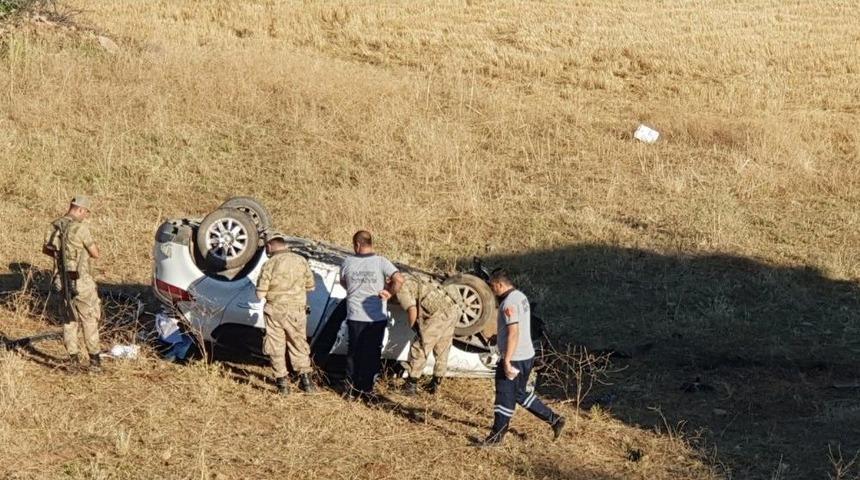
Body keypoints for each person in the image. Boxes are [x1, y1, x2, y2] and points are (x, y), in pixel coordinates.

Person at [480, 268, 565, 446]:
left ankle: (496, 436)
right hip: (527, 355)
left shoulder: (508, 303)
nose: (492, 290)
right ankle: (554, 419)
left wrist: (507, 360)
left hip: (515, 357)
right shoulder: (520, 296)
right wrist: (499, 337)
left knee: (504, 395)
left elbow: (513, 332)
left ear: (500, 284)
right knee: (519, 393)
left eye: (493, 286)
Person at [339, 230, 404, 400]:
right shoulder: (382, 262)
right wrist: (389, 293)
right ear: (370, 243)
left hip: (355, 315)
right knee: (372, 353)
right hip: (376, 318)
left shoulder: (347, 262)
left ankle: (350, 389)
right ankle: (366, 389)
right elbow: (399, 279)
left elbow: (343, 282)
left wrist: (355, 291)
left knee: (354, 352)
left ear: (357, 245)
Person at [42, 195, 103, 373]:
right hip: (80, 281)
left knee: (69, 320)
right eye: (86, 212)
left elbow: (47, 249)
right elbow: (95, 253)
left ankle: (73, 360)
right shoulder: (81, 228)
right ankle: (95, 362)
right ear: (80, 210)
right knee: (89, 319)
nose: (85, 216)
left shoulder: (54, 225)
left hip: (61, 281)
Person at [255, 232, 317, 395]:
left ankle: (282, 384)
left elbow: (260, 294)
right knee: (298, 344)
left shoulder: (269, 264)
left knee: (276, 346)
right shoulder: (301, 260)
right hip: (297, 310)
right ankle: (306, 382)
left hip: (275, 310)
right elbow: (311, 286)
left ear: (269, 246)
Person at [396, 272, 462, 395]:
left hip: (438, 315)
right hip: (453, 309)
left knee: (421, 347)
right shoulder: (412, 276)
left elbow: (412, 309)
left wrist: (415, 328)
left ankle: (411, 385)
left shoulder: (401, 287)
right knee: (442, 348)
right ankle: (436, 384)